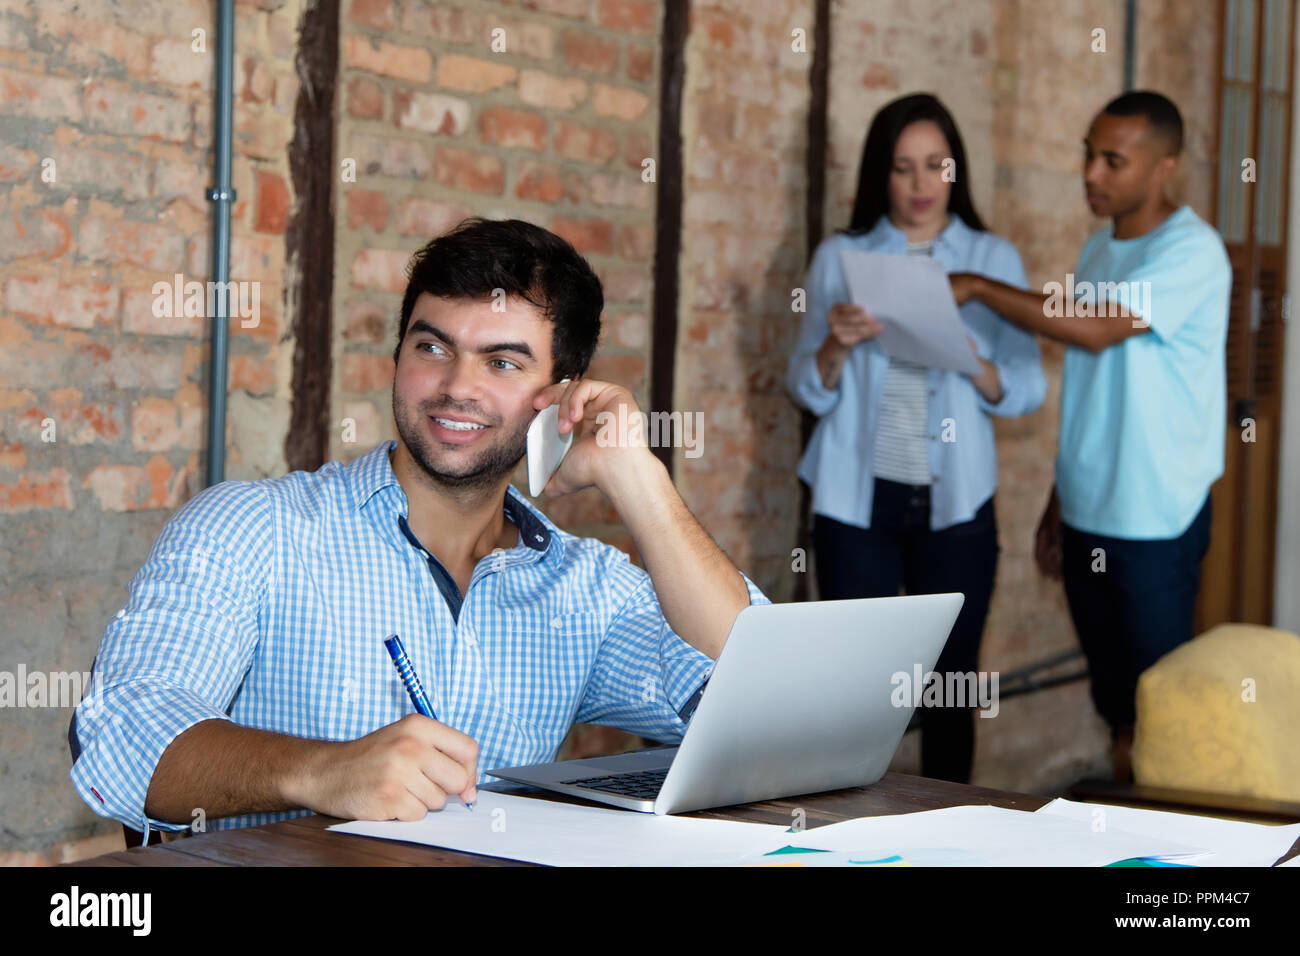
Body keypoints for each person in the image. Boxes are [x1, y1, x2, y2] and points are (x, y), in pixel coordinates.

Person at [69, 217, 769, 835]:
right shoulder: (254, 529)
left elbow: (761, 697)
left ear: (563, 395)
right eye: (432, 348)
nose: (456, 386)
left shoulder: (584, 587)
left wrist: (639, 480)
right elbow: (119, 735)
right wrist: (320, 772)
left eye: (502, 362)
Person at [948, 91, 1231, 780]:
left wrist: (981, 287)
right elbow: (1091, 389)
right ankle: (1127, 824)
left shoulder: (1193, 251)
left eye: (1113, 161)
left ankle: (1176, 850)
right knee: (1115, 703)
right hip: (1088, 511)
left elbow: (1097, 330)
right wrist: (1060, 501)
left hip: (1155, 517)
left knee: (1161, 706)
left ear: (1164, 166)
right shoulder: (1099, 245)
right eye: (1087, 154)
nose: (1091, 175)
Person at [786, 93, 1046, 784]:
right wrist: (835, 347)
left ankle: (951, 834)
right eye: (903, 168)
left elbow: (1027, 388)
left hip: (957, 505)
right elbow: (804, 384)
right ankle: (836, 837)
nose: (922, 184)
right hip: (856, 503)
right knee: (853, 689)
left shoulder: (991, 259)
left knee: (950, 691)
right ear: (882, 174)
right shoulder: (842, 256)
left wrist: (970, 358)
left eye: (936, 165)